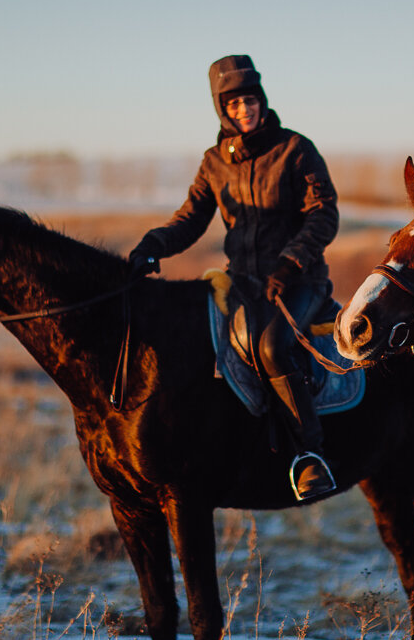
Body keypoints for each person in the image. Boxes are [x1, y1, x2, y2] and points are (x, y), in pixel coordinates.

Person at [127, 55, 339, 501]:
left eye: (250, 100)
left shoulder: (296, 149)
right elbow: (190, 218)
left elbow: (323, 214)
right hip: (242, 283)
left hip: (298, 281)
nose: (245, 110)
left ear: (262, 100)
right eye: (235, 104)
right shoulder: (213, 162)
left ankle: (311, 456)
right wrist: (153, 245)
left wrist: (290, 262)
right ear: (222, 110)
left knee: (272, 347)